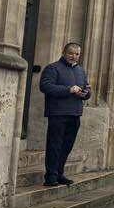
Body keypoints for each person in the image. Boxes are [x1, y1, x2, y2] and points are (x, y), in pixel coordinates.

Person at [38, 42, 91, 186]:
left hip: (75, 113)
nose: (74, 56)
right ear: (64, 53)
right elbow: (45, 86)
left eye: (77, 54)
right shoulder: (52, 68)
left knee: (67, 146)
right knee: (54, 145)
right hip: (57, 113)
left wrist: (86, 93)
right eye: (71, 53)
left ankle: (59, 173)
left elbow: (86, 90)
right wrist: (69, 89)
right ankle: (50, 176)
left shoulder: (81, 71)